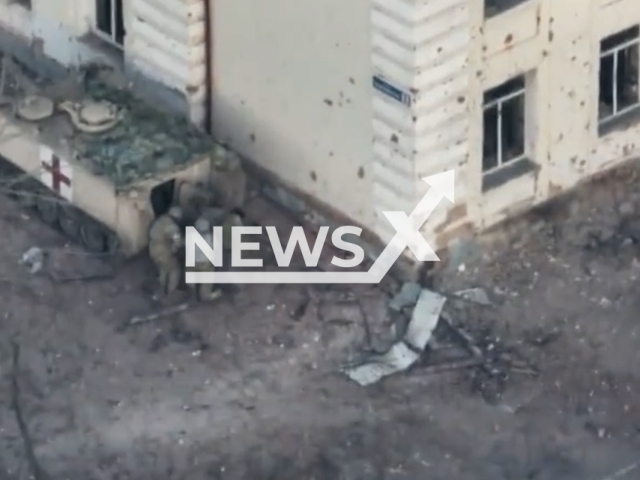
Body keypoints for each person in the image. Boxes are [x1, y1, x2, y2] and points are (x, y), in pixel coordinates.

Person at [148, 206, 184, 295]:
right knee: (175, 269)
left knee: (163, 269)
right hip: (162, 250)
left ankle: (161, 290)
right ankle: (172, 292)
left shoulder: (161, 220)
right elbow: (177, 241)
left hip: (152, 248)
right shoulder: (171, 226)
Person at [190, 217, 222, 302]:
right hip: (205, 263)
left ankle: (192, 292)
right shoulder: (210, 237)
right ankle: (205, 295)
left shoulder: (191, 236)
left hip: (193, 263)